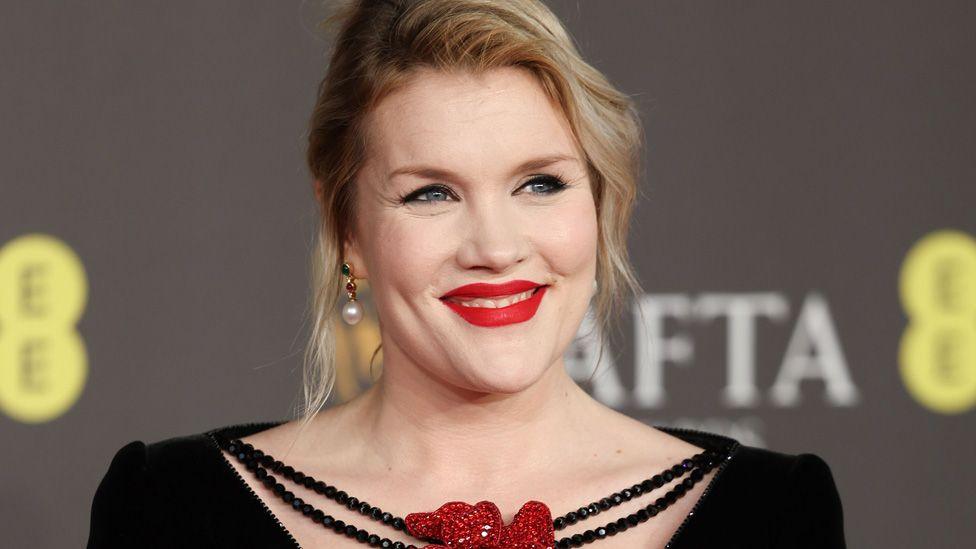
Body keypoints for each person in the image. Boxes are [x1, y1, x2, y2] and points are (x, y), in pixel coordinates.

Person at [86, 1, 846, 548]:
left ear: (602, 202)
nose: (495, 244)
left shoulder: (770, 514)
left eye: (540, 184)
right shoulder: (173, 510)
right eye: (432, 193)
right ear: (347, 228)